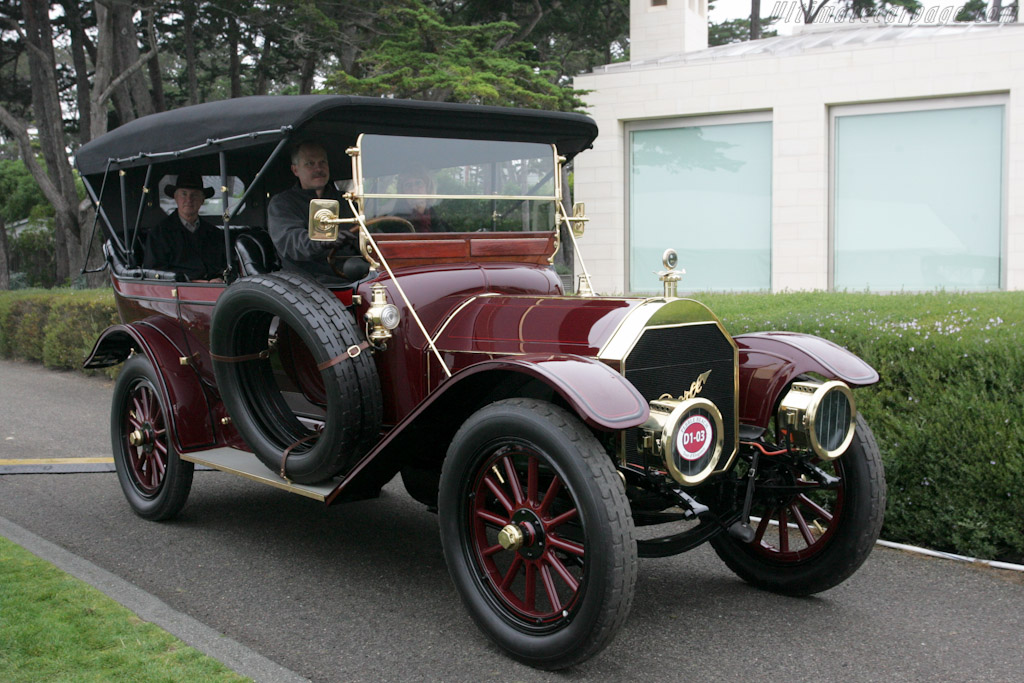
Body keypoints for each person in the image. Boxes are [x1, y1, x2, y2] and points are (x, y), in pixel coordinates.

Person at [268, 141, 358, 282]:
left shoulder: (347, 200)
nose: (318, 169)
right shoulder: (282, 203)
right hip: (306, 283)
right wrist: (323, 241)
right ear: (295, 170)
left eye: (322, 162)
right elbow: (291, 241)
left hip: (352, 274)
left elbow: (366, 231)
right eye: (310, 164)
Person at [143, 170, 226, 282]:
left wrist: (220, 278)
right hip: (177, 294)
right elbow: (154, 272)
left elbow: (226, 265)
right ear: (175, 197)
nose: (189, 200)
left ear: (202, 200)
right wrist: (190, 282)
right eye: (184, 194)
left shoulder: (215, 233)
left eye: (194, 195)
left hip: (217, 292)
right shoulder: (159, 234)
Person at [393, 167, 449, 233]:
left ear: (428, 188)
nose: (413, 189)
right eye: (408, 185)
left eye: (418, 183)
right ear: (402, 192)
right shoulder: (395, 221)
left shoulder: (438, 219)